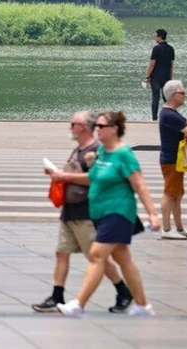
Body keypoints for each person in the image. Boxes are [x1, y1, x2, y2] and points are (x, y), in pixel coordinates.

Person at [56, 111, 160, 317]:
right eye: (97, 126)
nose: (98, 130)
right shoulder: (102, 151)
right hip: (100, 213)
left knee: (96, 254)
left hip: (119, 212)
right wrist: (64, 176)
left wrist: (153, 214)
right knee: (123, 258)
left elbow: (139, 185)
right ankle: (142, 305)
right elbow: (92, 178)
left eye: (102, 126)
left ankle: (79, 304)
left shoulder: (124, 154)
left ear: (114, 129)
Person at [33, 111, 133, 313]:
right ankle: (57, 295)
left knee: (97, 258)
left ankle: (123, 291)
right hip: (69, 210)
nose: (70, 127)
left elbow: (95, 178)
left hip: (87, 212)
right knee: (62, 252)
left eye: (73, 123)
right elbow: (73, 174)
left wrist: (65, 176)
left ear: (84, 127)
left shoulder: (96, 151)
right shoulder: (78, 149)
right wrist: (56, 175)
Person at [158, 80, 187, 240]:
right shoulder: (169, 114)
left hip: (175, 158)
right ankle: (167, 229)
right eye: (182, 93)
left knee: (177, 194)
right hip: (172, 159)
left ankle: (179, 227)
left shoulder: (171, 114)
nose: (185, 95)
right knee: (169, 193)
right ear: (173, 95)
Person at [145, 29, 175, 121]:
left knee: (155, 97)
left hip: (156, 78)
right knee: (166, 98)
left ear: (160, 37)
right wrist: (170, 77)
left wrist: (147, 76)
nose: (154, 37)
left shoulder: (156, 48)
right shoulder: (171, 48)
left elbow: (152, 64)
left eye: (155, 36)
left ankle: (154, 118)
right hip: (166, 77)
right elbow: (171, 65)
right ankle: (170, 117)